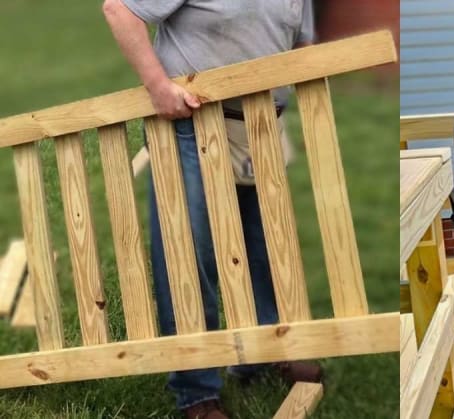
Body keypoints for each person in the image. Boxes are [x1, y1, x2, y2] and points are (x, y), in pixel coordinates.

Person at [102, 1, 320, 417]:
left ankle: (264, 350)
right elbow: (119, 10)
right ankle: (196, 389)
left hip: (260, 128)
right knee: (188, 254)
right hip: (192, 124)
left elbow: (301, 42)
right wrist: (158, 87)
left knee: (265, 250)